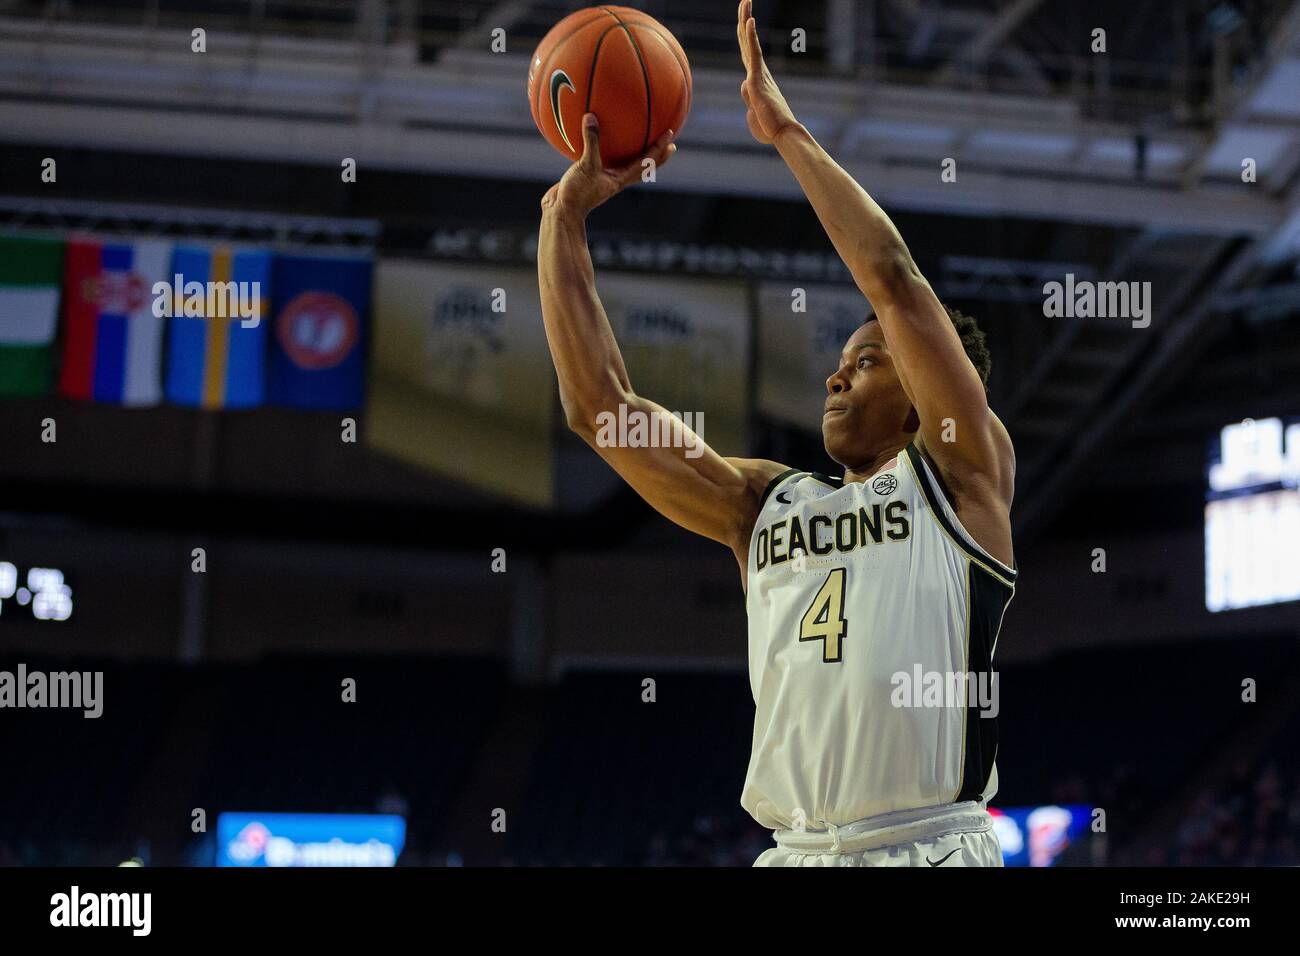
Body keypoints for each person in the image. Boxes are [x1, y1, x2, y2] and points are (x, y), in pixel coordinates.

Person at [535, 0, 1016, 867]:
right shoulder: (763, 504)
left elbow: (895, 284)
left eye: (868, 361)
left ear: (927, 391)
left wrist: (786, 132)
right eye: (842, 359)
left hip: (927, 847)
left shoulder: (961, 474)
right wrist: (561, 221)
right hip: (793, 853)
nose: (837, 376)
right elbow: (598, 408)